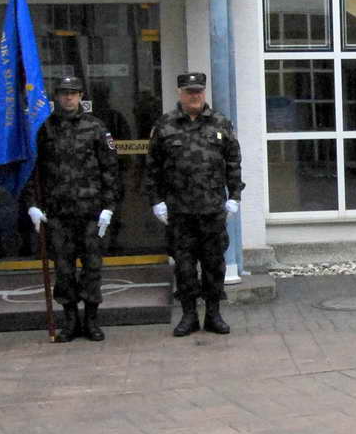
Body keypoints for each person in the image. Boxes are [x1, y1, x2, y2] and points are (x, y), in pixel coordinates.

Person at [145, 71, 243, 337]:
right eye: (189, 92)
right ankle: (189, 315)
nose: (195, 96)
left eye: (198, 91)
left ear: (204, 92)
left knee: (214, 266)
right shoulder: (165, 125)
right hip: (179, 212)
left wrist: (235, 197)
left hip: (212, 210)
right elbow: (152, 169)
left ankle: (213, 314)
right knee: (184, 267)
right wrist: (156, 202)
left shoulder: (221, 123)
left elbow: (233, 163)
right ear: (180, 93)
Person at [25, 77, 121, 341]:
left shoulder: (96, 127)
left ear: (81, 96)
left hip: (91, 212)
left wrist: (109, 207)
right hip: (58, 213)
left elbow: (110, 170)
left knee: (92, 268)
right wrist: (32, 204)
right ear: (56, 97)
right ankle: (70, 321)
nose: (69, 98)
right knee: (64, 270)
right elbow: (33, 171)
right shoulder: (43, 129)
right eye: (64, 93)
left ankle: (91, 321)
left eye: (74, 93)